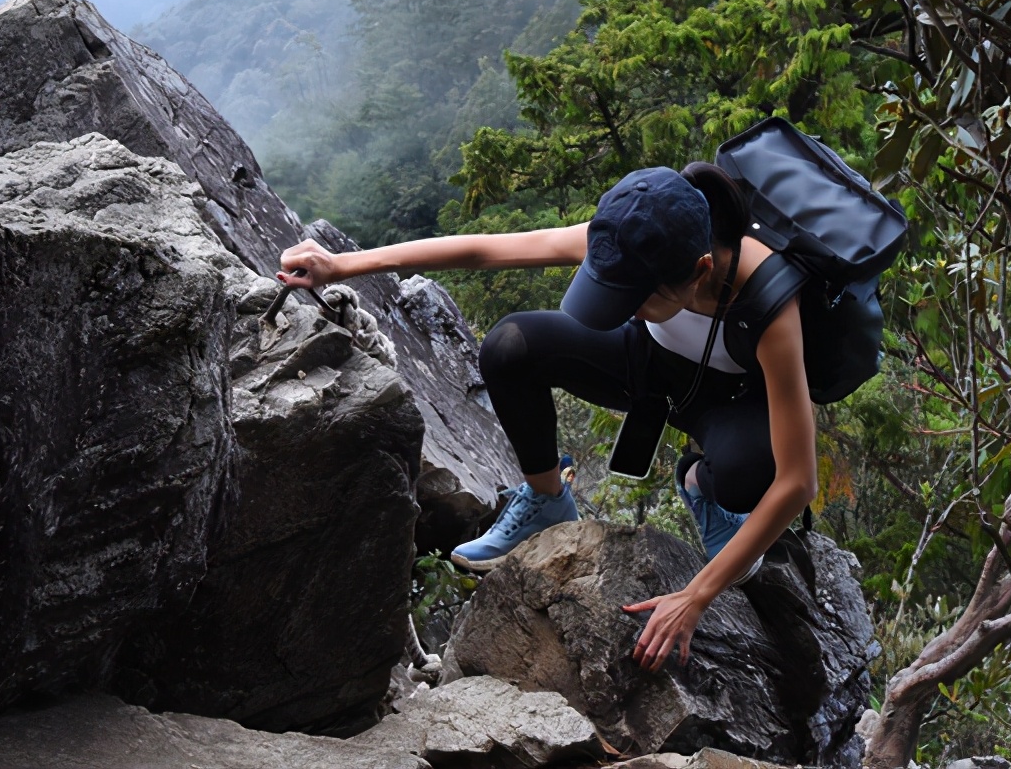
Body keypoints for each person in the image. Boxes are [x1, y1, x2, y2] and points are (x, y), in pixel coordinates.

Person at [277, 162, 817, 673]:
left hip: (727, 398)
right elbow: (488, 250)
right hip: (647, 364)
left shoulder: (769, 304)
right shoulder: (640, 232)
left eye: (634, 297)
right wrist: (342, 263)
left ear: (701, 270)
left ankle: (702, 485)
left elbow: (799, 481)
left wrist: (695, 595)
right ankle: (546, 500)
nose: (623, 305)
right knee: (511, 346)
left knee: (756, 473)